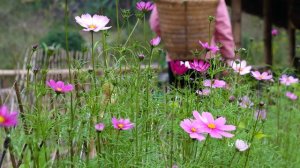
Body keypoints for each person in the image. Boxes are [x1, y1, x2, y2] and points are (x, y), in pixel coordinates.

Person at [149, 0, 235, 86]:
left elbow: (155, 23)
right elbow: (223, 28)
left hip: (175, 57)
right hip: (206, 56)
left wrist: (169, 38)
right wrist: (227, 56)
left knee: (178, 95)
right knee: (206, 94)